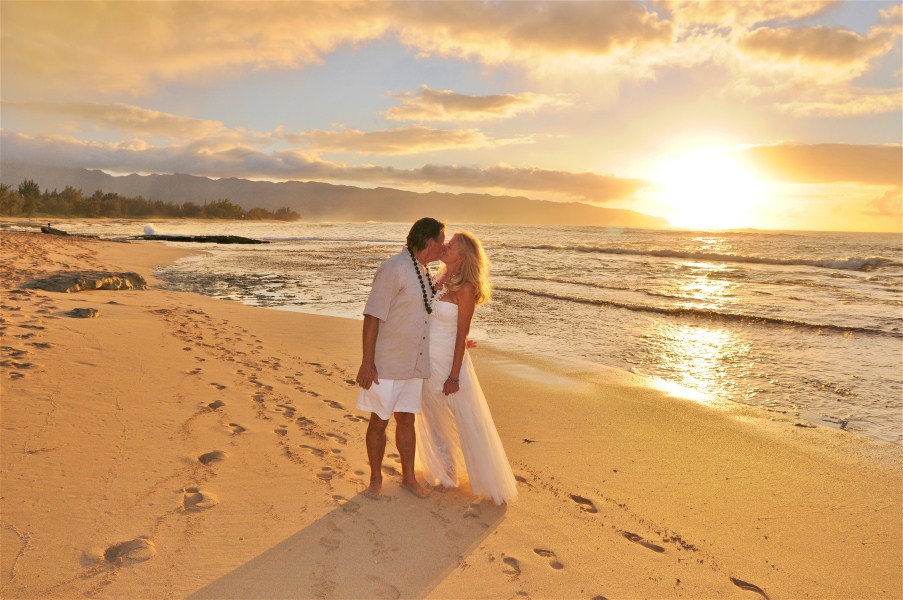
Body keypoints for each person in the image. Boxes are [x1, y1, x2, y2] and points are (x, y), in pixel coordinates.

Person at [415, 231, 518, 505]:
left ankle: (484, 477)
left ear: (463, 257)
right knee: (433, 414)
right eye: (446, 244)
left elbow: (461, 333)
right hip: (427, 359)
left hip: (450, 363)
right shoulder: (436, 278)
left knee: (465, 419)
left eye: (451, 246)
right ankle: (444, 472)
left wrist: (454, 375)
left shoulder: (466, 287)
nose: (444, 247)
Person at [355, 217, 446, 499]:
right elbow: (372, 316)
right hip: (387, 363)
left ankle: (408, 478)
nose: (443, 247)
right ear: (429, 242)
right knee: (379, 422)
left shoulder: (422, 270)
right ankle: (374, 480)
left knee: (407, 420)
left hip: (413, 364)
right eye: (442, 241)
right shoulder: (394, 268)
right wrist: (367, 362)